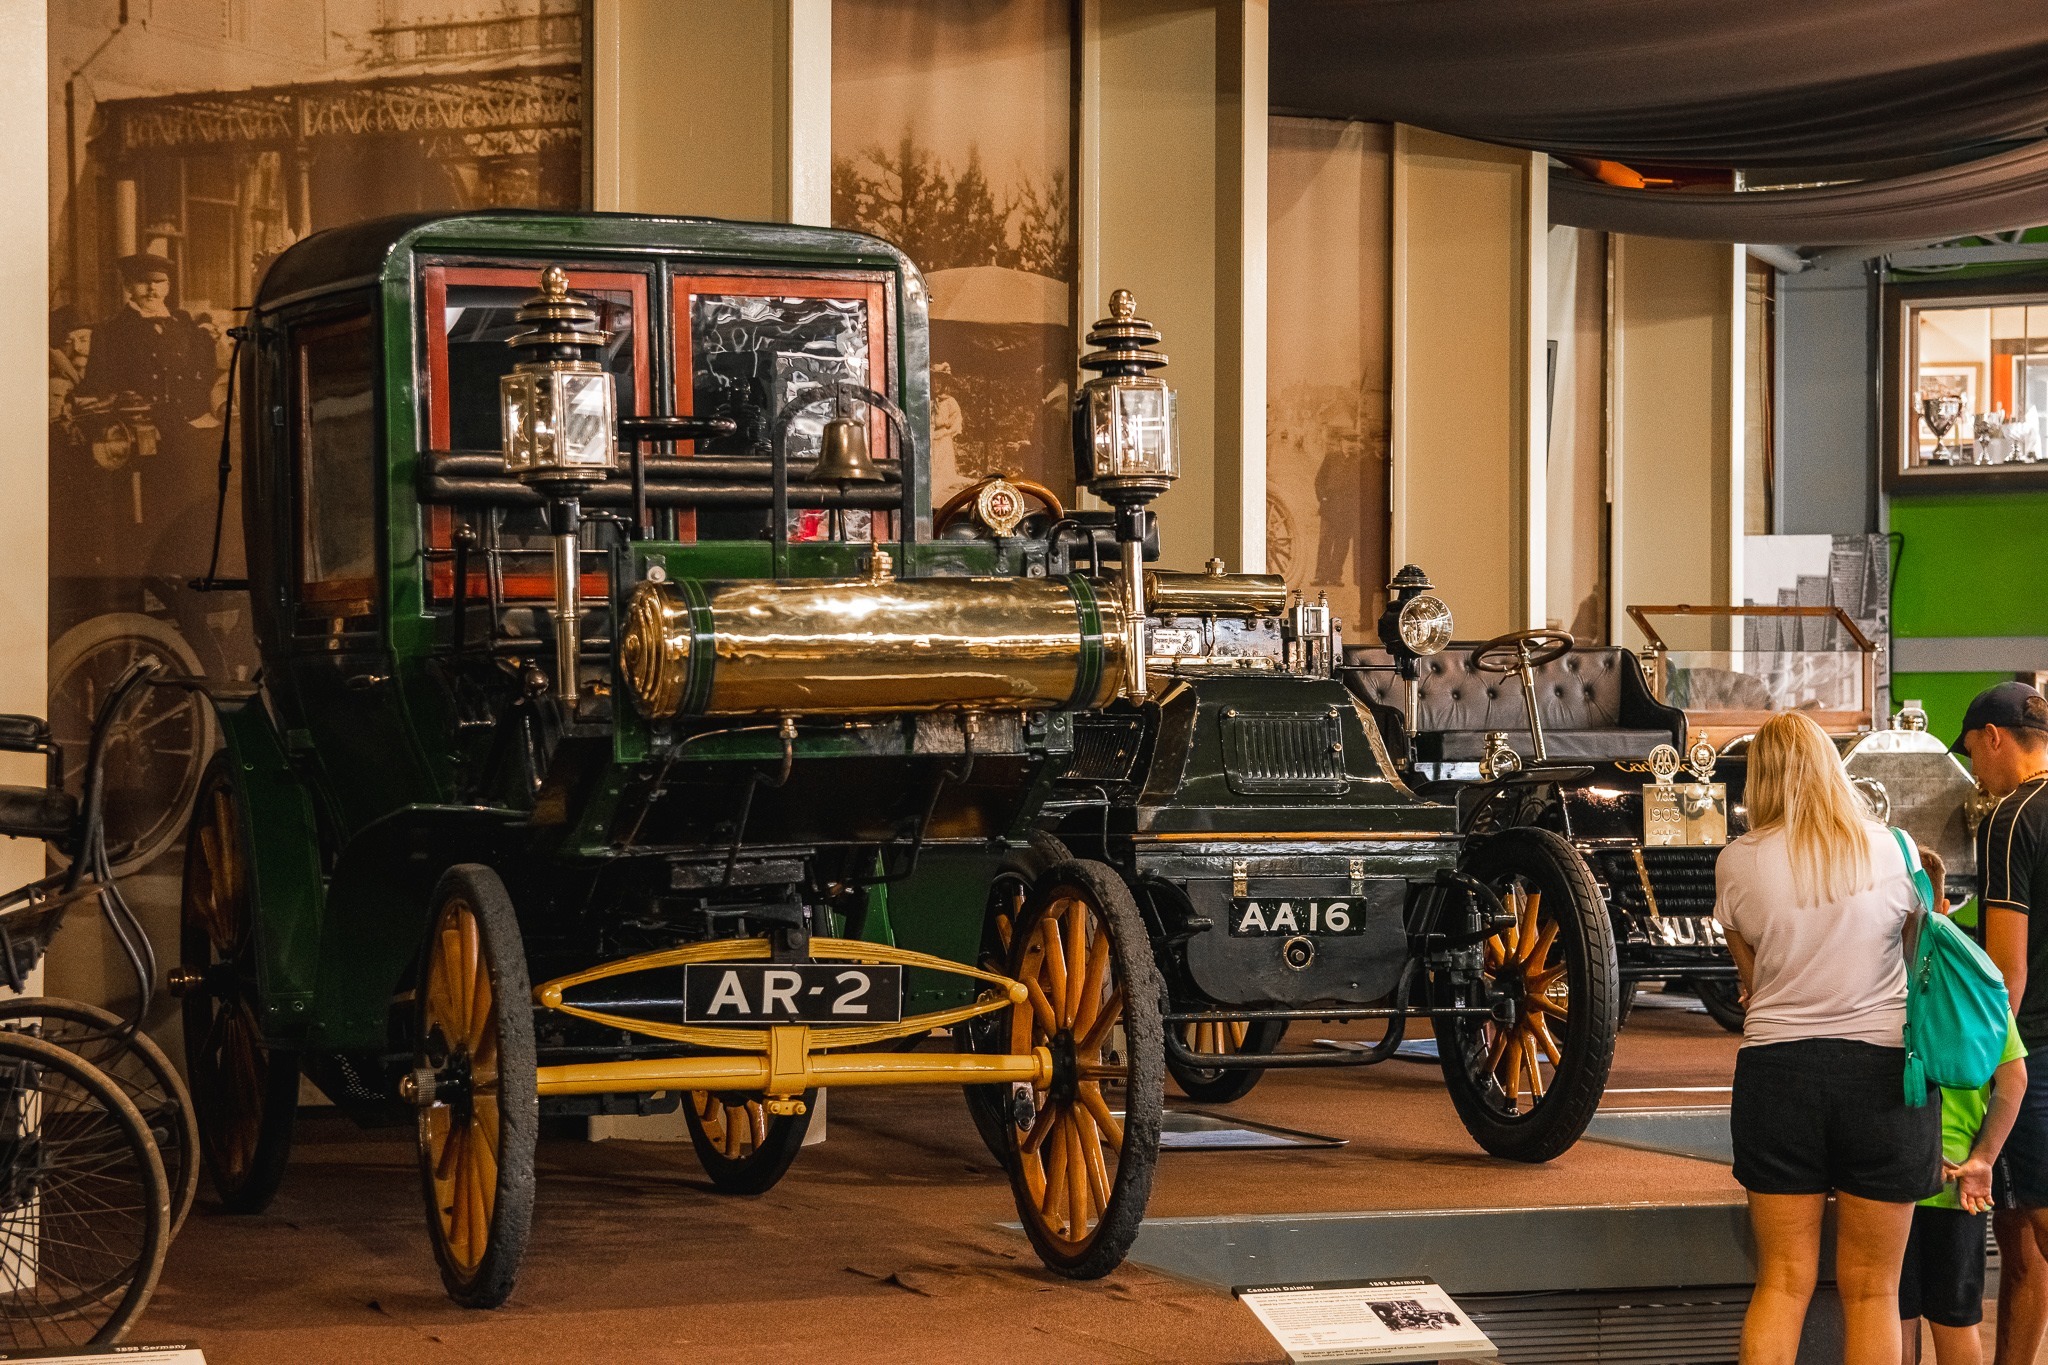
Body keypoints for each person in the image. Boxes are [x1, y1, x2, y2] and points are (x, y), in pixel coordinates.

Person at [1716, 710, 1941, 1365]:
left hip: (1777, 1075)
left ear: (1760, 776)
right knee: (1873, 1290)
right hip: (1883, 1077)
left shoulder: (1736, 861)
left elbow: (1753, 986)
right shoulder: (1897, 849)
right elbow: (1916, 964)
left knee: (1783, 1282)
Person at [1949, 682, 2048, 1363]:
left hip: (2034, 1049)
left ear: (1994, 736)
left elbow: (2005, 969)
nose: (1975, 774)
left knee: (2036, 1230)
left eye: (1974, 756)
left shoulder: (2012, 818)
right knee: (2022, 1243)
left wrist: (1986, 1065)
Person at [1898, 852, 2029, 1365]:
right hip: (1959, 1187)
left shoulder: (1882, 985)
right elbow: (2013, 1079)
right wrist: (1983, 1160)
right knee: (1956, 1321)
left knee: (1893, 1318)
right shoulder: (1978, 983)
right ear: (1945, 904)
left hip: (1894, 1180)